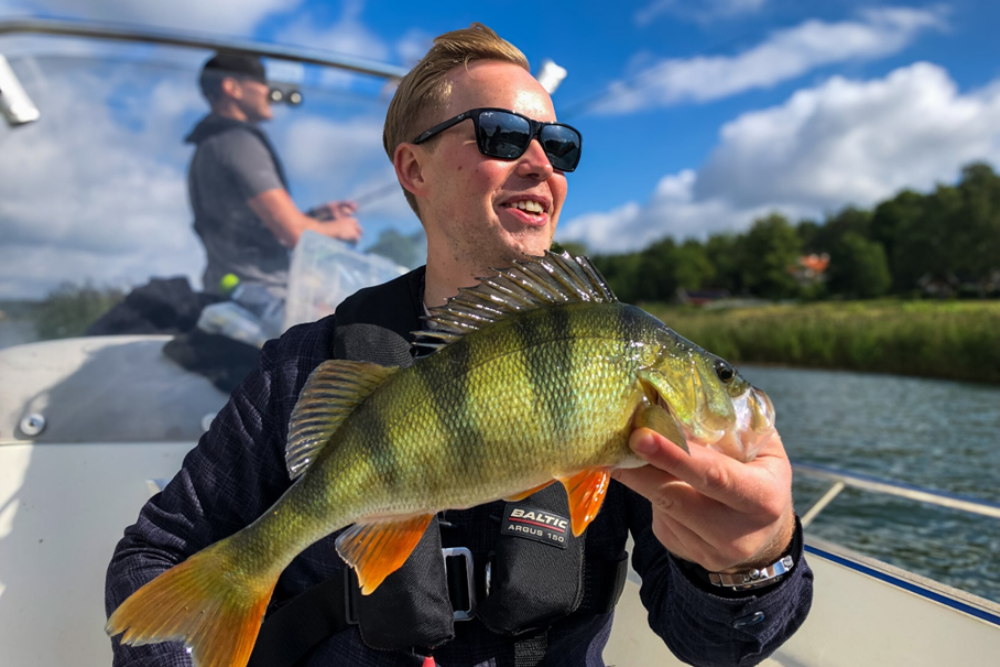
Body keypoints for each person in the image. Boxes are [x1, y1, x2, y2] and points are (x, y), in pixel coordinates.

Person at [107, 24, 812, 666]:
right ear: (413, 170)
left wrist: (748, 565)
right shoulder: (303, 365)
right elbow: (155, 552)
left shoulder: (634, 384)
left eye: (559, 144)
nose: (541, 162)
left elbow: (714, 643)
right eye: (503, 135)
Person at [186, 53, 363, 296]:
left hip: (233, 294)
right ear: (232, 88)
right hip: (260, 298)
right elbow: (294, 233)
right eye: (261, 82)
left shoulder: (212, 143)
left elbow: (251, 229)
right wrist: (341, 229)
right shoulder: (238, 142)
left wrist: (316, 216)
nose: (269, 91)